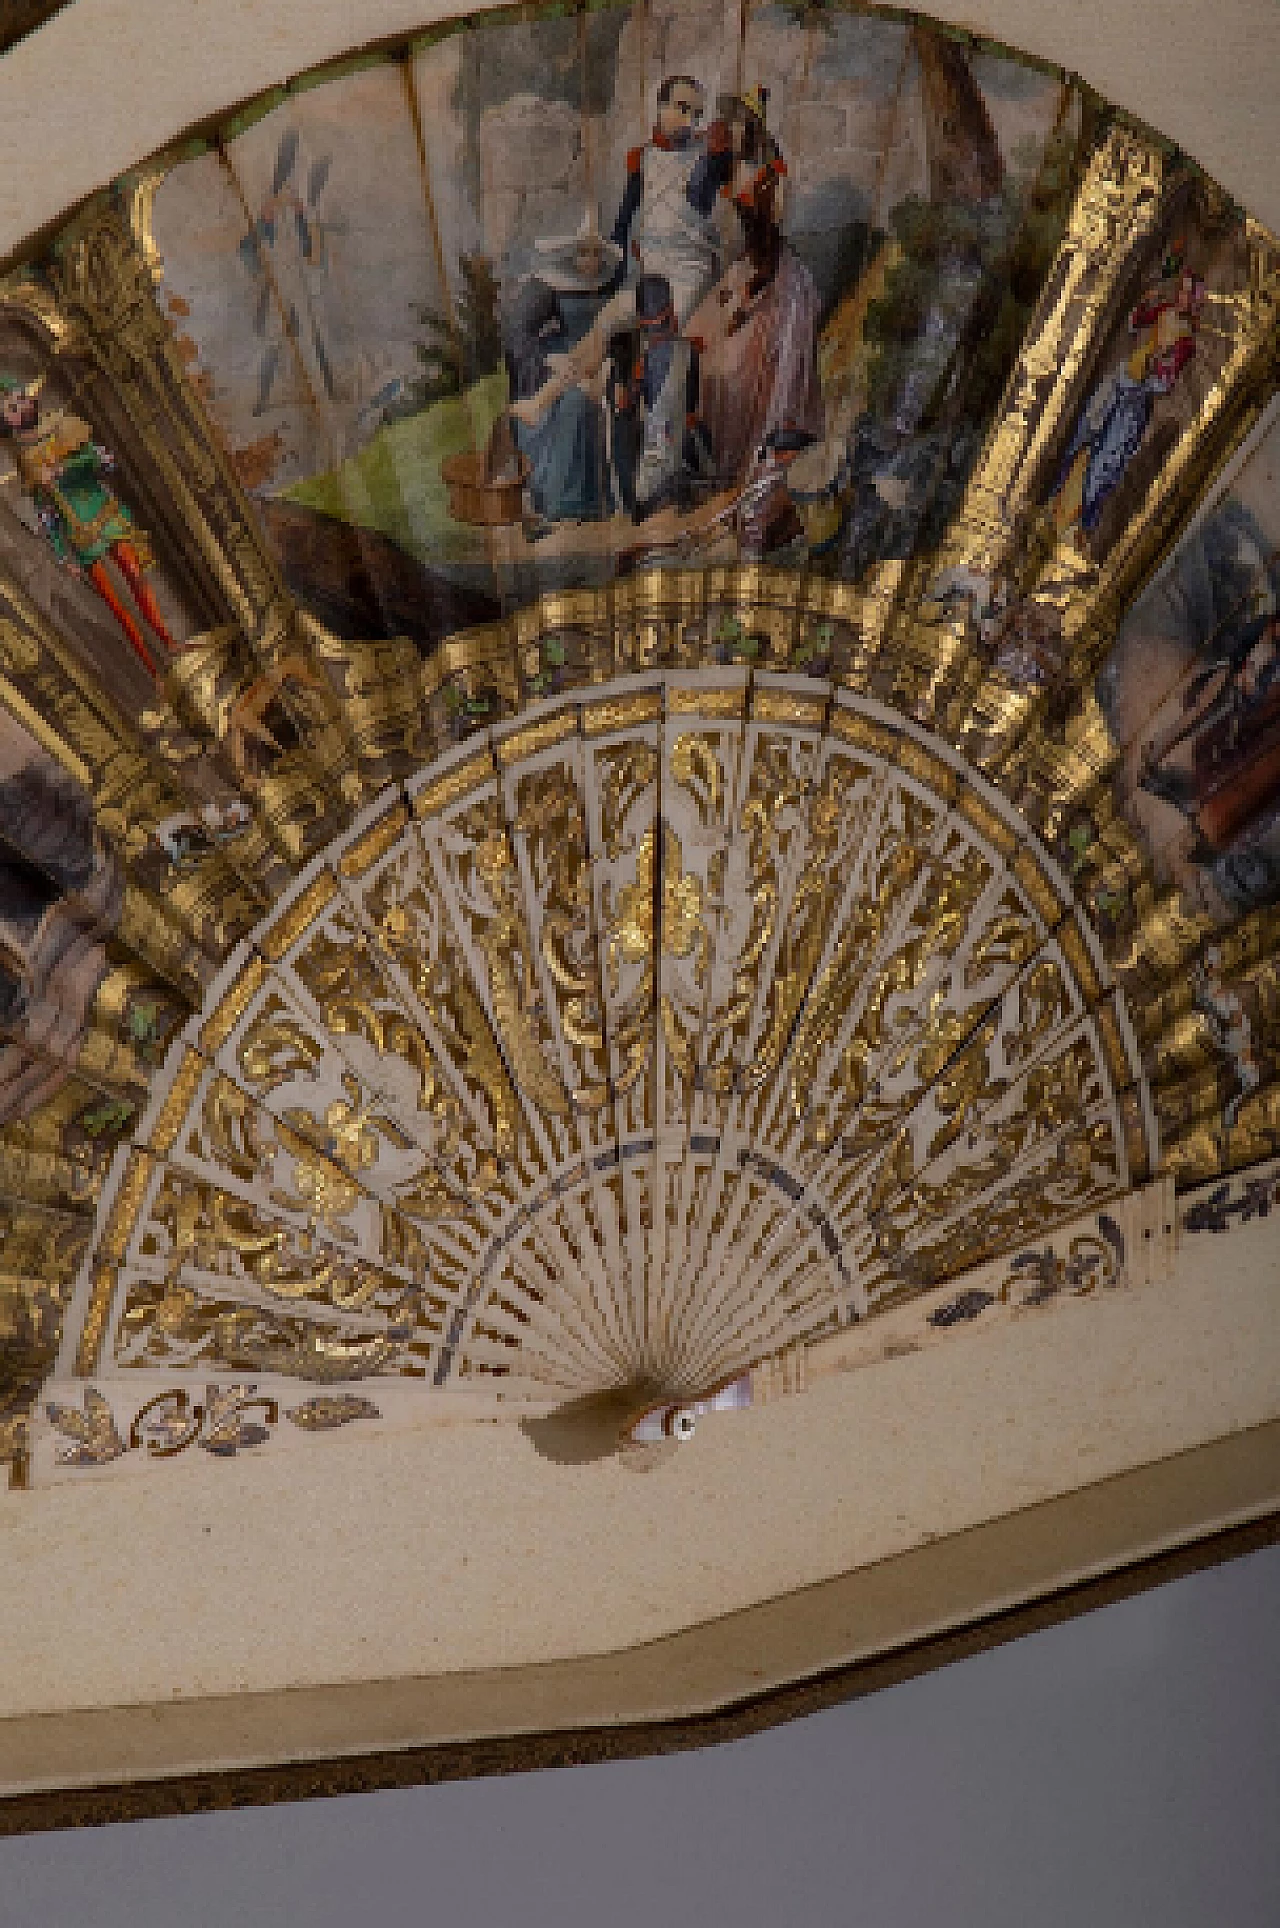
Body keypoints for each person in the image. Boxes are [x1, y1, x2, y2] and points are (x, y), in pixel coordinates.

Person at [685, 89, 823, 490]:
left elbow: (765, 243)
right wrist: (710, 159)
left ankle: (752, 457)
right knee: (696, 344)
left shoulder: (769, 172)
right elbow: (697, 202)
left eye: (739, 121)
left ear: (754, 125)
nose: (732, 128)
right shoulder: (728, 166)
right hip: (743, 271)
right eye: (730, 121)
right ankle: (707, 454)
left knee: (739, 362)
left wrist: (745, 297)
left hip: (771, 275)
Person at [0, 373, 178, 676]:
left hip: (105, 515)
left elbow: (100, 462)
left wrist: (62, 469)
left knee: (136, 578)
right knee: (116, 605)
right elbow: (46, 512)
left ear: (31, 399)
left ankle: (169, 641)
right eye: (11, 409)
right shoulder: (25, 460)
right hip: (79, 536)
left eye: (20, 400)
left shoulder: (62, 426)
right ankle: (153, 669)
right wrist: (61, 553)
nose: (20, 409)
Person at [1050, 251, 1205, 542]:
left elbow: (1165, 383)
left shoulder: (1187, 341)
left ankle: (1078, 525)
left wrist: (1153, 372)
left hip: (1136, 401)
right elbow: (1135, 323)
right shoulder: (1165, 310)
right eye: (1182, 290)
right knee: (1086, 434)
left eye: (1188, 294)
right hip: (1121, 381)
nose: (1182, 297)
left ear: (1196, 301)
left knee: (1108, 459)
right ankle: (1057, 505)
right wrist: (1146, 301)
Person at [502, 214, 625, 527]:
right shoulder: (550, 282)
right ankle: (563, 500)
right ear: (571, 253)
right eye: (584, 252)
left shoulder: (613, 282)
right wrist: (547, 358)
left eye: (596, 253)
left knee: (583, 399)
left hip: (601, 357)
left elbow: (619, 330)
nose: (590, 260)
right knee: (571, 401)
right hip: (561, 359)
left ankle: (595, 502)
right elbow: (519, 333)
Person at [611, 75, 736, 325]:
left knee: (666, 331)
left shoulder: (708, 155)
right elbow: (625, 217)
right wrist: (615, 263)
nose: (690, 121)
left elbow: (710, 184)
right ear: (661, 106)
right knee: (605, 324)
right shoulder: (642, 156)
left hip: (689, 270)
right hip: (647, 267)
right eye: (682, 108)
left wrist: (717, 151)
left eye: (697, 114)